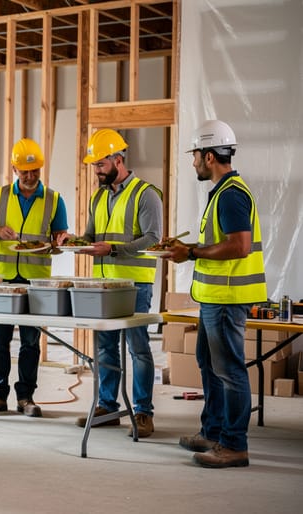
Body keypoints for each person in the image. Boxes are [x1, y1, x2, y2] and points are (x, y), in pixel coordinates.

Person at [163, 120, 266, 468]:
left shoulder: (231, 195)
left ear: (209, 156)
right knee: (209, 365)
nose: (193, 162)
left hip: (225, 300)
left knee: (230, 371)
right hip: (214, 299)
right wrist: (185, 248)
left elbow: (238, 247)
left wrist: (190, 254)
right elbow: (217, 244)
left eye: (194, 156)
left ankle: (234, 445)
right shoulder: (223, 193)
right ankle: (214, 432)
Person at [73, 129, 163, 438]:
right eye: (94, 165)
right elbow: (90, 236)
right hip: (102, 285)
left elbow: (153, 238)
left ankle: (143, 412)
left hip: (135, 284)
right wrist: (70, 242)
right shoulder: (98, 195)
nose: (96, 170)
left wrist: (112, 249)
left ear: (118, 159)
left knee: (138, 348)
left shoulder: (146, 193)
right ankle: (108, 407)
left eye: (100, 164)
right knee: (105, 348)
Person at [0, 138, 69, 417]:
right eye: (24, 171)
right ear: (14, 169)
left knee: (30, 341)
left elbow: (59, 237)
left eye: (35, 171)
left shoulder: (54, 200)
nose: (30, 177)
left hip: (36, 280)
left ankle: (26, 397)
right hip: (4, 279)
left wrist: (61, 241)